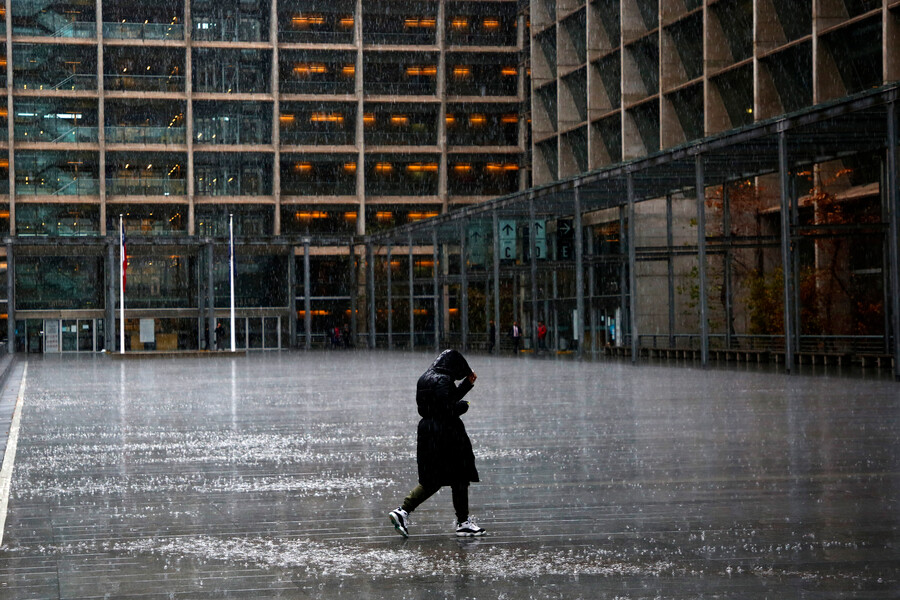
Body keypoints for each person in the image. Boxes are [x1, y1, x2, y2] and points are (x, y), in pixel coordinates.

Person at [389, 349, 485, 538]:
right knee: (459, 475)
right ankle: (463, 522)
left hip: (428, 432)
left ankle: (403, 511)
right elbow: (447, 408)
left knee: (432, 479)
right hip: (446, 433)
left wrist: (466, 384)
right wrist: (463, 406)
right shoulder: (442, 380)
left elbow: (441, 402)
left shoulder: (425, 378)